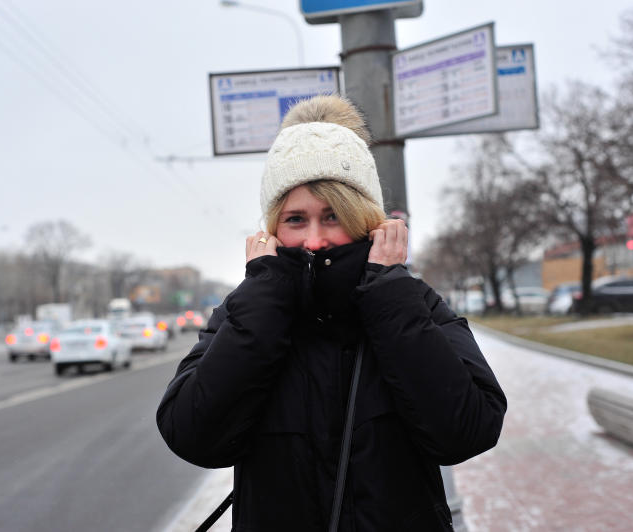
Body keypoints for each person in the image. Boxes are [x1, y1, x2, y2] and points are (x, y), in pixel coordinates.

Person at [156, 95, 506, 531]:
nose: (315, 239)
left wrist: (388, 299)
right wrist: (264, 302)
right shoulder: (246, 311)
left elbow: (469, 430)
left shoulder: (410, 302)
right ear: (271, 230)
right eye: (296, 219)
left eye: (333, 216)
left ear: (366, 220)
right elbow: (192, 437)